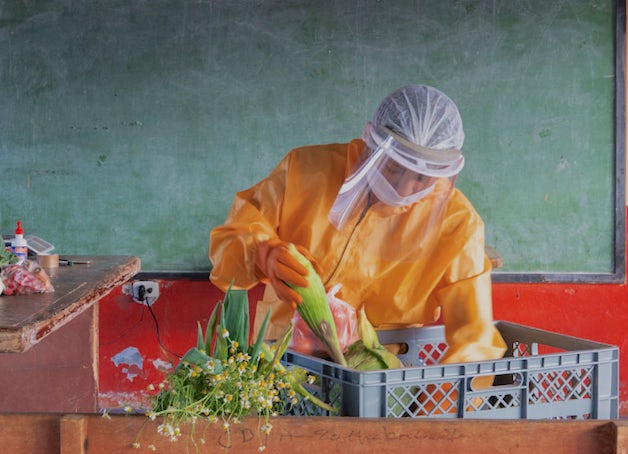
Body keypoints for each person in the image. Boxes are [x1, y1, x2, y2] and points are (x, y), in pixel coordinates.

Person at [208, 84, 506, 365]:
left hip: (381, 378)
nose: (403, 188)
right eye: (392, 167)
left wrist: (433, 414)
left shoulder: (457, 224)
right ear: (370, 141)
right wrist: (262, 253)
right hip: (284, 362)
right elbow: (232, 241)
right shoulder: (306, 171)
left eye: (421, 178)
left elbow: (476, 341)